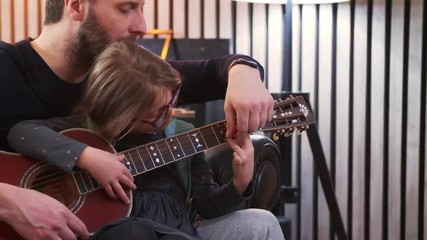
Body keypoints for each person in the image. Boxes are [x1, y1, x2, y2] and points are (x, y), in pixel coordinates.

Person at [0, 0, 275, 239]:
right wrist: (11, 202)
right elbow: (22, 133)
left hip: (144, 223)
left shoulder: (133, 79)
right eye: (126, 8)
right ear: (75, 6)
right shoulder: (6, 67)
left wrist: (245, 72)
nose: (142, 26)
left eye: (141, 8)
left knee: (258, 225)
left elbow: (216, 70)